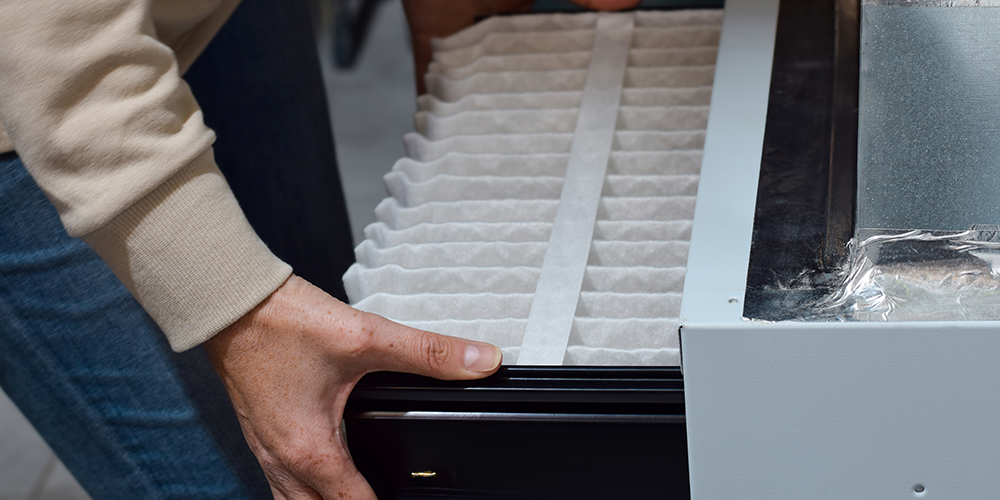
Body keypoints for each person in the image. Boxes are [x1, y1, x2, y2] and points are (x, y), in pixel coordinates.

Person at [0, 0, 639, 499]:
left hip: (220, 14)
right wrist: (236, 309)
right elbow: (50, 45)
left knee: (346, 404)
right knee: (282, 470)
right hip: (33, 70)